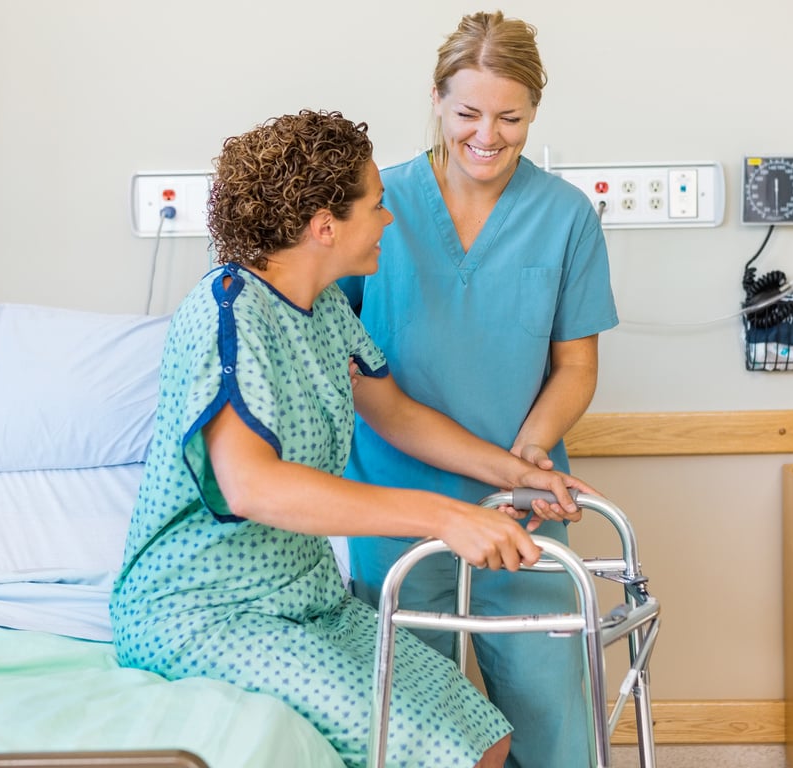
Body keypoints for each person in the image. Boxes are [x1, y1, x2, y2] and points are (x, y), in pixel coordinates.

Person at [108, 109, 595, 768]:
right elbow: (251, 485)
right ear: (325, 226)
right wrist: (442, 516)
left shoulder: (325, 306)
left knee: (486, 737)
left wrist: (517, 473)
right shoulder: (227, 314)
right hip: (208, 612)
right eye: (376, 205)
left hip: (308, 601)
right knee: (435, 751)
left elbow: (393, 411)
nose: (389, 219)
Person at [338, 11, 619, 768]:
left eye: (509, 117)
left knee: (550, 713)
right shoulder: (373, 210)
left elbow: (575, 366)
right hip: (395, 502)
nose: (486, 135)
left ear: (533, 113)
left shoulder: (563, 216)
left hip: (521, 505)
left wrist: (529, 453)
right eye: (467, 113)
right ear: (436, 100)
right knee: (412, 725)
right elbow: (355, 372)